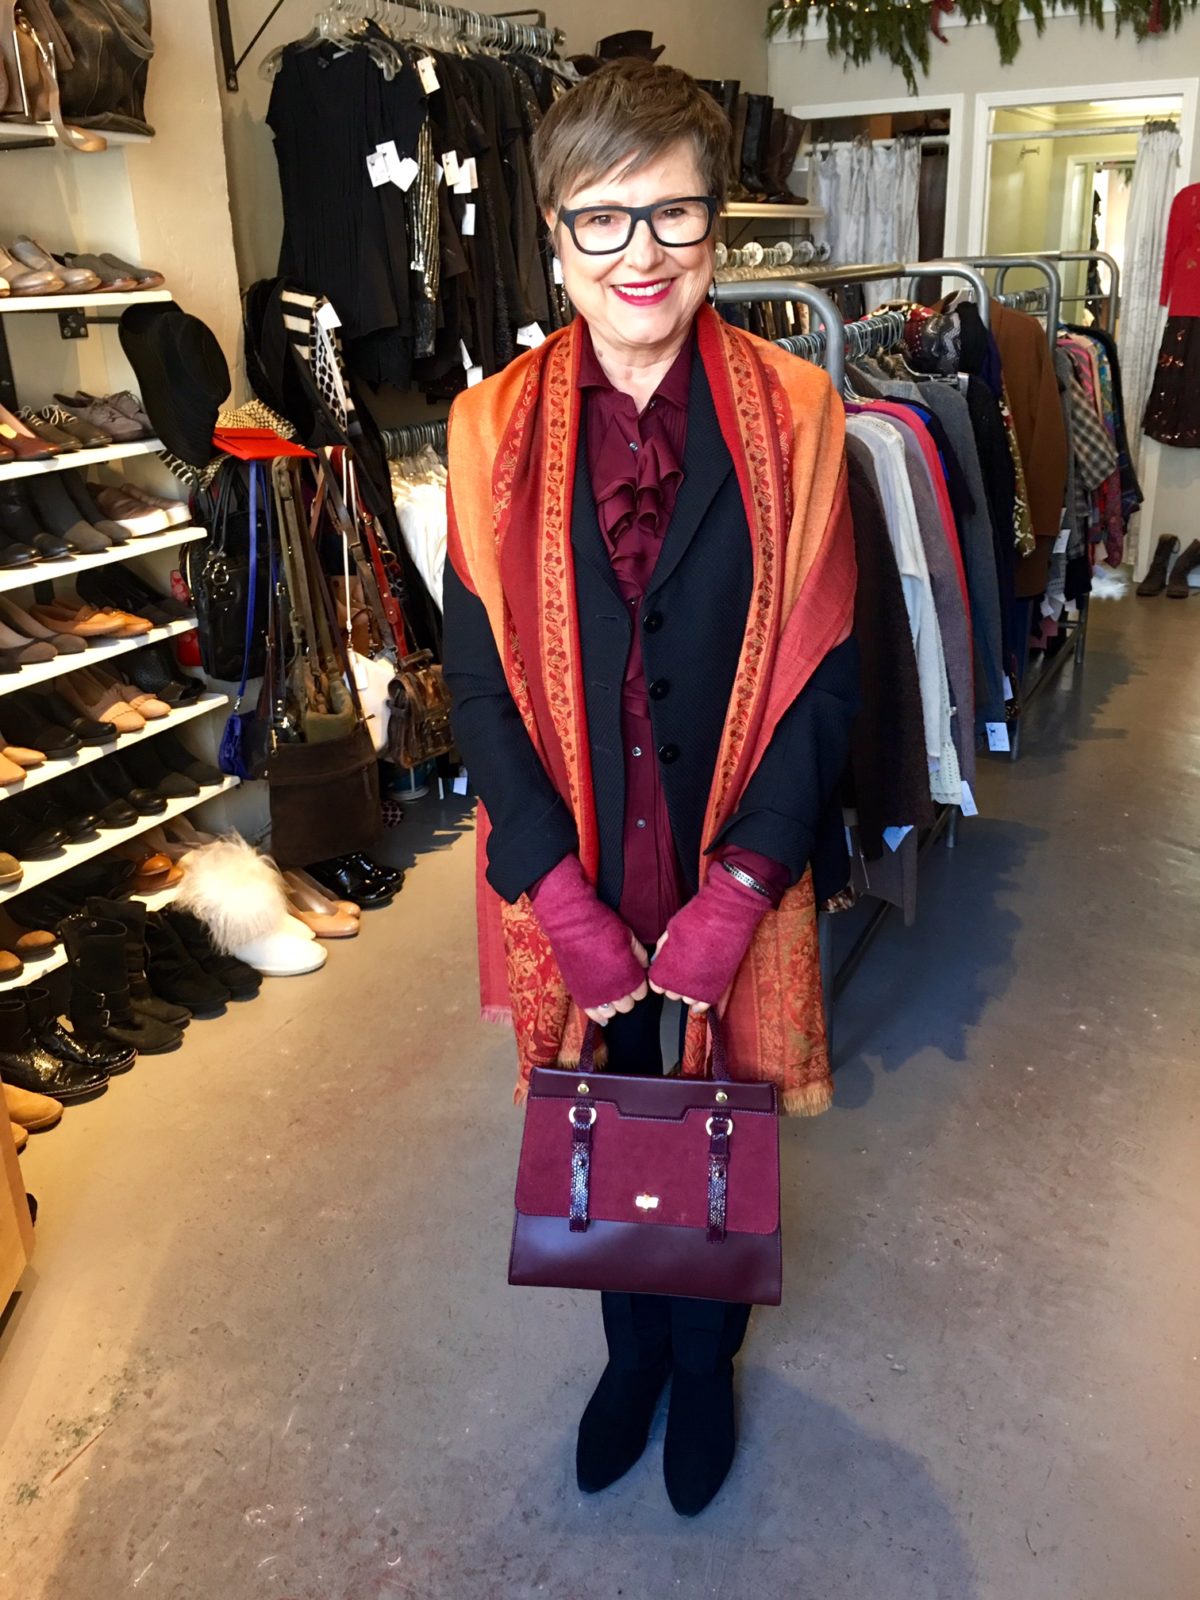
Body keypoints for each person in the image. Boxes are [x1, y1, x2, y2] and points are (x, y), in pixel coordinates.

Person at [443, 58, 858, 1517]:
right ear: (555, 239)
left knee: (722, 1117)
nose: (642, 253)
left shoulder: (799, 414)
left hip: (729, 856)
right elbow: (480, 685)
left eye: (673, 214)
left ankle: (703, 1365)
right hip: (580, 866)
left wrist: (742, 889)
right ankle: (631, 1356)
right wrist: (556, 894)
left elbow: (825, 676)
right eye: (603, 220)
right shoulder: (488, 430)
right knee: (605, 1112)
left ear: (715, 230)